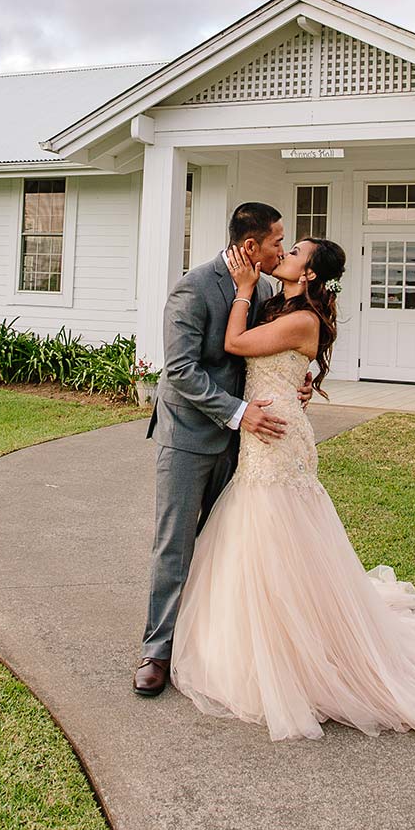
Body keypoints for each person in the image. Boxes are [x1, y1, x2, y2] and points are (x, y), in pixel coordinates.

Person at [169, 236, 415, 757]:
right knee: (258, 535)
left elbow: (236, 346)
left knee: (276, 529)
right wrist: (292, 364)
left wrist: (245, 289)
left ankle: (295, 653)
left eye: (294, 253)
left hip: (277, 439)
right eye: (284, 248)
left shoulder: (301, 318)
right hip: (262, 427)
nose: (285, 256)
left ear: (311, 274)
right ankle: (257, 639)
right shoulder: (283, 301)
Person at [133, 202, 313, 697]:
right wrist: (239, 412)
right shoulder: (194, 287)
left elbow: (276, 349)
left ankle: (207, 643)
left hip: (246, 443)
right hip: (190, 437)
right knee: (176, 544)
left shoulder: (267, 291)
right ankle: (158, 651)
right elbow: (181, 371)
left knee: (224, 546)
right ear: (251, 245)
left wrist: (300, 382)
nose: (283, 247)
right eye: (278, 240)